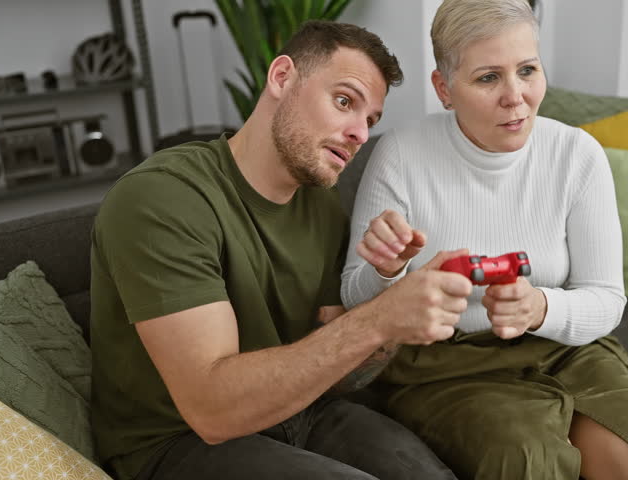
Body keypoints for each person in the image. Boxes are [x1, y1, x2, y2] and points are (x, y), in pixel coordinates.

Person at [89, 20, 469, 480]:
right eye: (344, 101)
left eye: (369, 120)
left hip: (302, 411)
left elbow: (343, 374)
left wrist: (389, 300)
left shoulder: (322, 207)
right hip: (174, 442)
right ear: (282, 77)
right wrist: (381, 317)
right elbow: (213, 412)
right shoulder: (161, 198)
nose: (359, 134)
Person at [341, 1, 628, 479]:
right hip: (445, 365)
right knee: (525, 457)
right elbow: (354, 301)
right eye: (487, 78)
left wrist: (540, 307)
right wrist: (386, 269)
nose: (516, 96)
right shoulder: (400, 156)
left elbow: (606, 299)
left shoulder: (577, 155)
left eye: (527, 70)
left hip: (563, 347)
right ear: (444, 89)